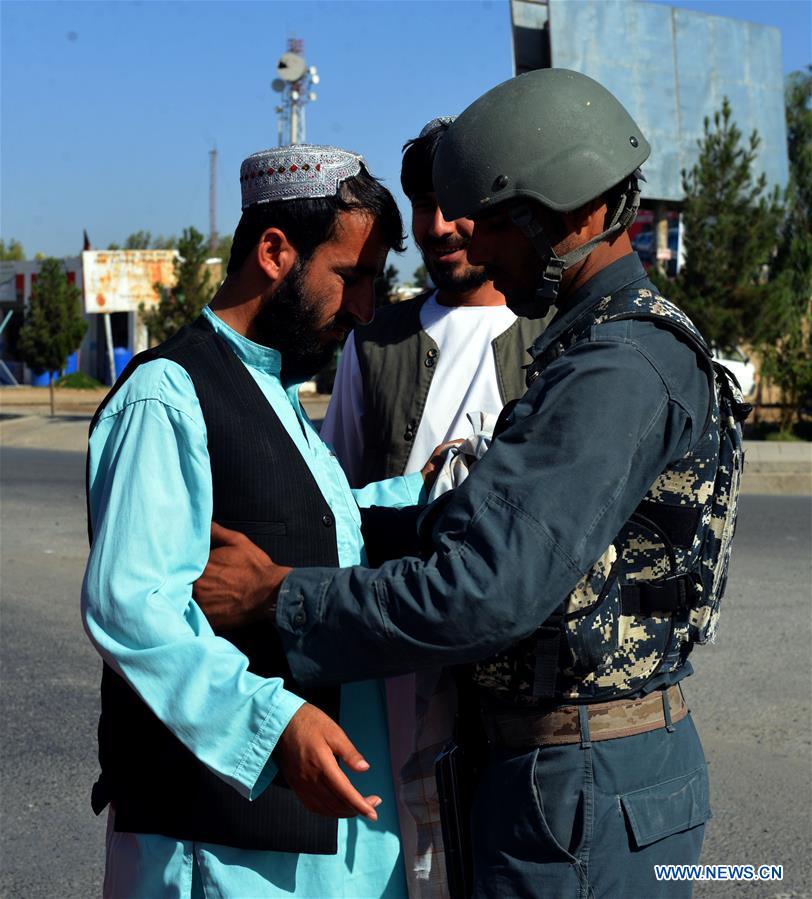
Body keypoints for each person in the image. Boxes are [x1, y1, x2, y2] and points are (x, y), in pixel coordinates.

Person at [198, 70, 749, 898]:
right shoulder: (591, 349)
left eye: (499, 225)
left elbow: (484, 585)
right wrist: (341, 534)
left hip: (582, 788)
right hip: (560, 779)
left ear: (575, 217)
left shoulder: (620, 369)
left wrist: (282, 597)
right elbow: (481, 525)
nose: (477, 247)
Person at [82, 144, 450, 898]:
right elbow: (133, 606)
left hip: (320, 843)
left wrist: (438, 497)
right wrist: (273, 725)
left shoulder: (277, 390)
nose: (365, 308)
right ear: (276, 252)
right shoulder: (168, 394)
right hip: (219, 847)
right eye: (350, 277)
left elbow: (330, 524)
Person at [320, 116, 543, 897]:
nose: (440, 226)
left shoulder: (555, 338)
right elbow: (336, 495)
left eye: (457, 204)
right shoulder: (372, 341)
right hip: (386, 656)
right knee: (392, 853)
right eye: (425, 204)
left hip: (502, 660)